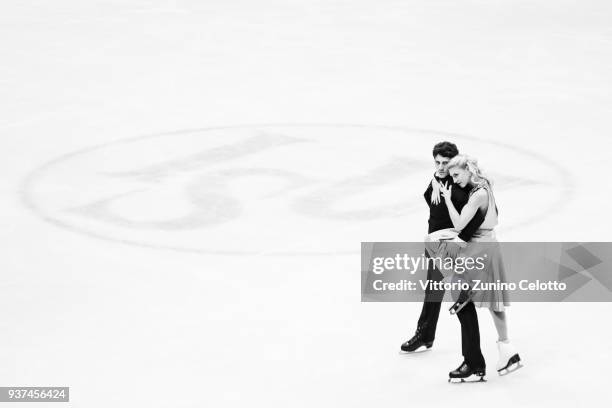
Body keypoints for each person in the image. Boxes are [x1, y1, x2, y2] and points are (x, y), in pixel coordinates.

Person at [436, 154, 522, 380]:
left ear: (468, 170)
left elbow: (459, 224)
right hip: (489, 244)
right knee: (495, 302)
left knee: (465, 291)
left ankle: (487, 354)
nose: (454, 180)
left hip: (478, 250)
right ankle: (506, 348)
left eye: (456, 175)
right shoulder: (485, 186)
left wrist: (446, 199)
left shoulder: (478, 195)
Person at [400, 142, 485, 353]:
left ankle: (476, 354)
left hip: (451, 247)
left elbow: (475, 217)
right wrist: (436, 183)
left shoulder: (460, 186)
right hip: (435, 244)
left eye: (445, 163)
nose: (440, 167)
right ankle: (426, 335)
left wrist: (459, 241)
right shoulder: (438, 179)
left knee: (462, 299)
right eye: (437, 162)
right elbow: (431, 200)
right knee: (434, 290)